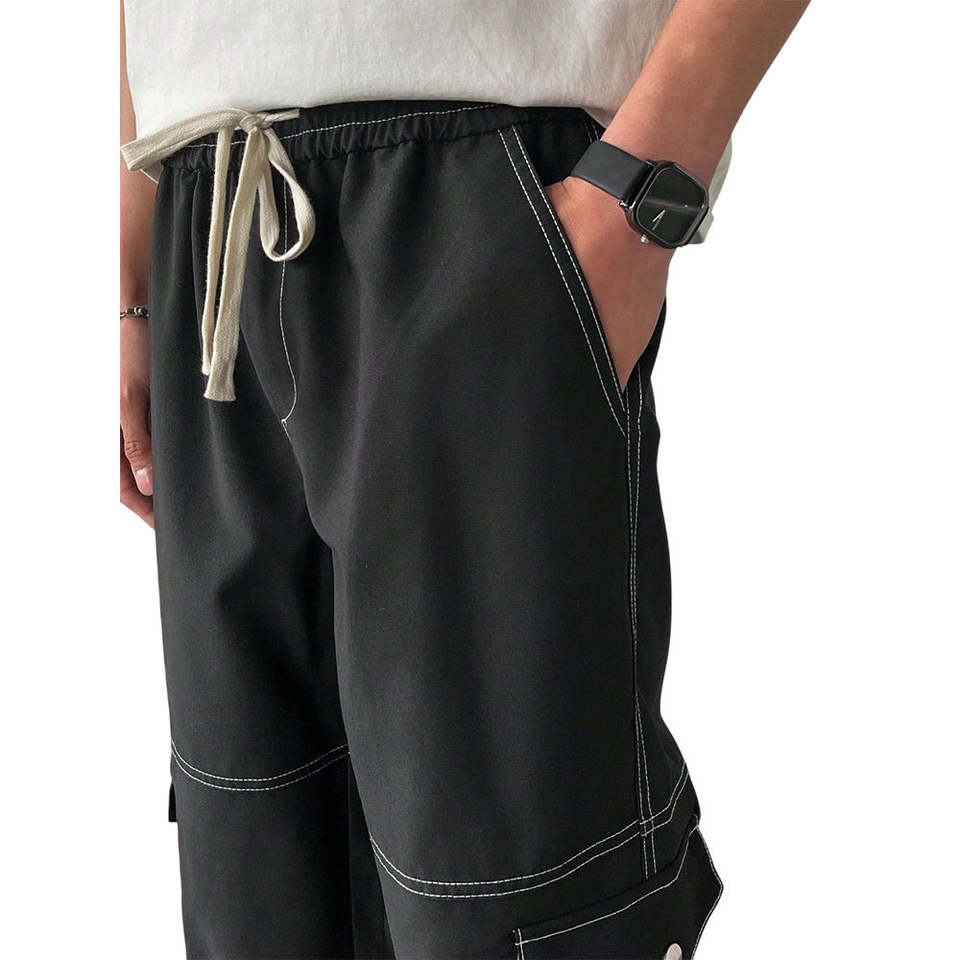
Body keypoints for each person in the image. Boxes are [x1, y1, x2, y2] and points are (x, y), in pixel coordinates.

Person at [120, 2, 807, 957]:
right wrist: (132, 286)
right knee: (256, 883)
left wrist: (639, 196)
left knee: (504, 905)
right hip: (206, 215)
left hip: (472, 187)